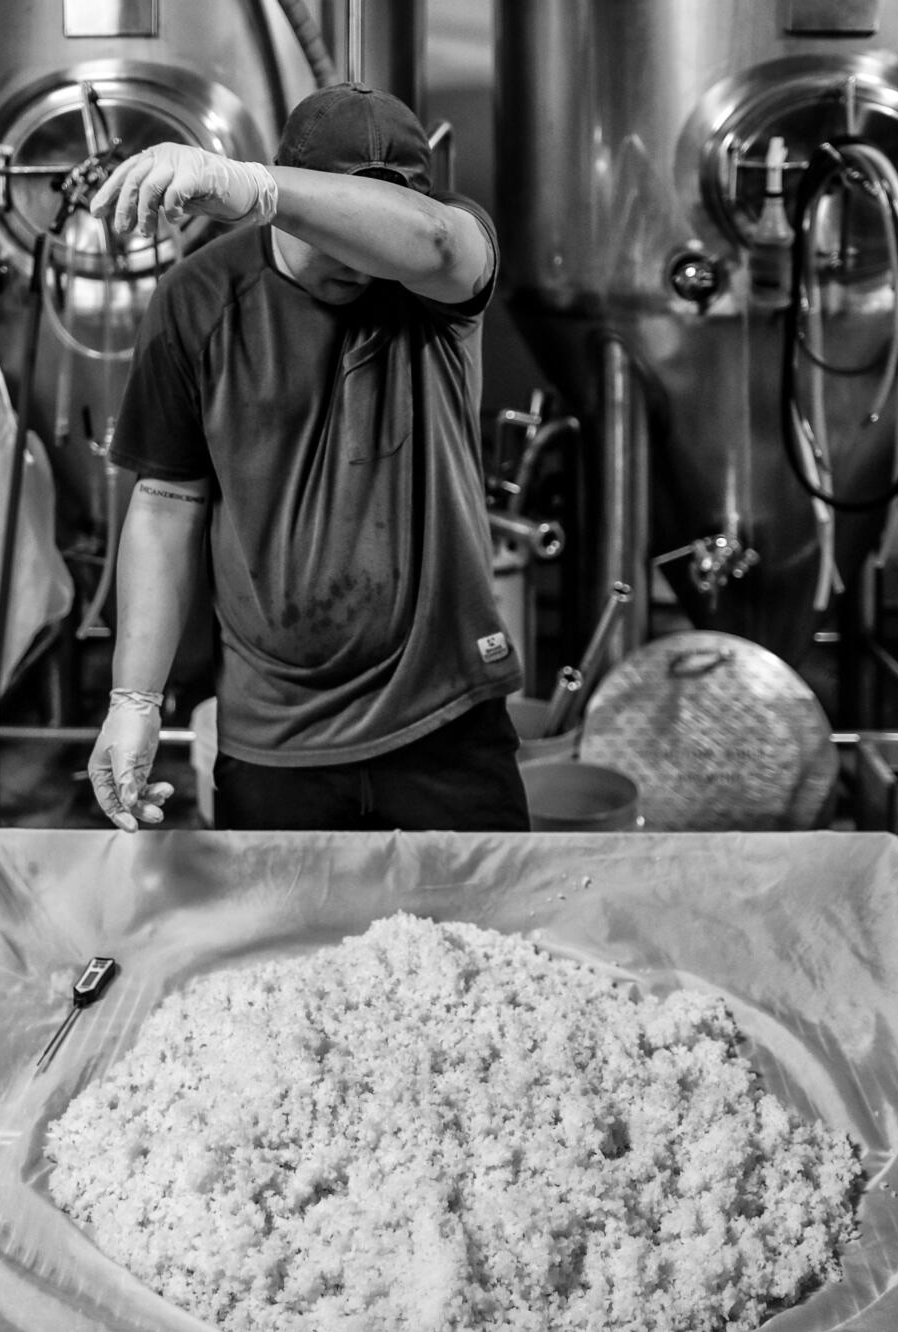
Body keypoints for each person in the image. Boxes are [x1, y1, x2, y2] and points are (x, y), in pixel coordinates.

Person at [83, 82, 529, 834]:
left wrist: (250, 184)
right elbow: (165, 508)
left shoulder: (436, 275)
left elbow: (436, 242)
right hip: (277, 736)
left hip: (445, 720)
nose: (360, 260)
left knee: (486, 949)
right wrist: (134, 698)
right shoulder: (198, 300)